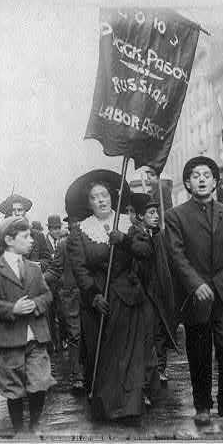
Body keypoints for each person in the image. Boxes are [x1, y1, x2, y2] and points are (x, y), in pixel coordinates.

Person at [165, 156, 223, 428]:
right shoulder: (176, 216)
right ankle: (202, 405)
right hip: (195, 297)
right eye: (195, 175)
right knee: (199, 351)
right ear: (188, 183)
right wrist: (195, 283)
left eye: (206, 175)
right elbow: (176, 256)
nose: (201, 179)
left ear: (216, 181)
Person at [66, 171, 154, 422]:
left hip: (127, 299)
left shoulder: (128, 224)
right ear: (89, 203)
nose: (101, 200)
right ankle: (108, 406)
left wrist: (124, 240)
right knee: (102, 356)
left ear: (111, 198)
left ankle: (130, 405)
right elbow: (80, 268)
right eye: (95, 198)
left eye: (104, 195)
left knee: (128, 356)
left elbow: (146, 251)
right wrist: (93, 295)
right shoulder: (80, 231)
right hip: (99, 302)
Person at [0, 216, 56, 434]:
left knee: (40, 382)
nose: (31, 240)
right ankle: (19, 431)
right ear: (9, 240)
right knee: (13, 388)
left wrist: (36, 304)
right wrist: (12, 309)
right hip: (9, 340)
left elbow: (47, 295)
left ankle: (34, 426)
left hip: (35, 338)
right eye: (25, 237)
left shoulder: (34, 268)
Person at [129, 193, 178, 391]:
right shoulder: (135, 235)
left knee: (160, 332)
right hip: (145, 293)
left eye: (156, 212)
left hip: (159, 292)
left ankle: (160, 369)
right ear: (140, 216)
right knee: (149, 333)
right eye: (151, 213)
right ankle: (149, 375)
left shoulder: (156, 235)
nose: (156, 216)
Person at [43, 219, 86, 391]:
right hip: (71, 295)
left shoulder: (95, 240)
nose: (76, 227)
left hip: (94, 295)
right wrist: (35, 280)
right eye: (74, 224)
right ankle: (78, 376)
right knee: (75, 335)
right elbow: (55, 270)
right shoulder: (63, 245)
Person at [0, 194, 51, 268]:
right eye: (13, 210)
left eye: (20, 210)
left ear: (24, 212)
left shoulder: (38, 236)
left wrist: (39, 265)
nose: (17, 213)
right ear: (8, 213)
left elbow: (48, 260)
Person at [44, 214, 63, 351]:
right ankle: (52, 344)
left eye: (58, 228)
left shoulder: (62, 242)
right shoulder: (44, 243)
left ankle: (61, 341)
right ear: (49, 229)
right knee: (50, 315)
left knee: (61, 314)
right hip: (49, 285)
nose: (56, 231)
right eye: (53, 228)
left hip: (61, 286)